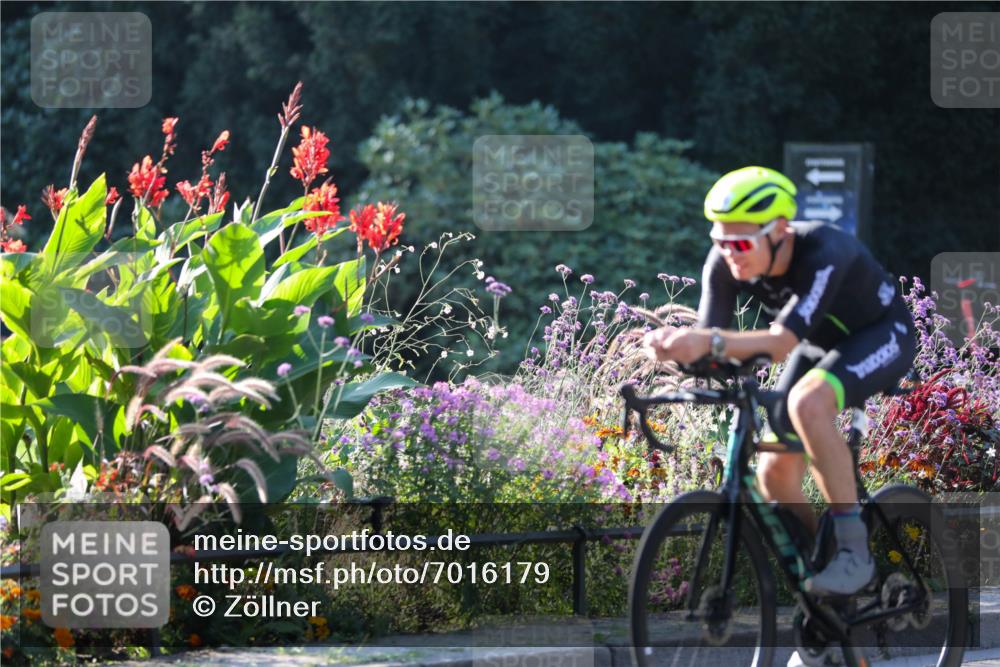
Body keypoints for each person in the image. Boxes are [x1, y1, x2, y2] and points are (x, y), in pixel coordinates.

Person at [643, 166, 916, 598]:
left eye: (740, 242)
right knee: (774, 475)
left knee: (808, 403)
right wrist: (679, 351)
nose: (730, 253)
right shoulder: (725, 262)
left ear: (781, 230)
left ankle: (853, 553)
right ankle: (818, 583)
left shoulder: (825, 250)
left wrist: (705, 341)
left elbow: (779, 343)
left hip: (882, 335)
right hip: (819, 346)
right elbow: (714, 346)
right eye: (720, 241)